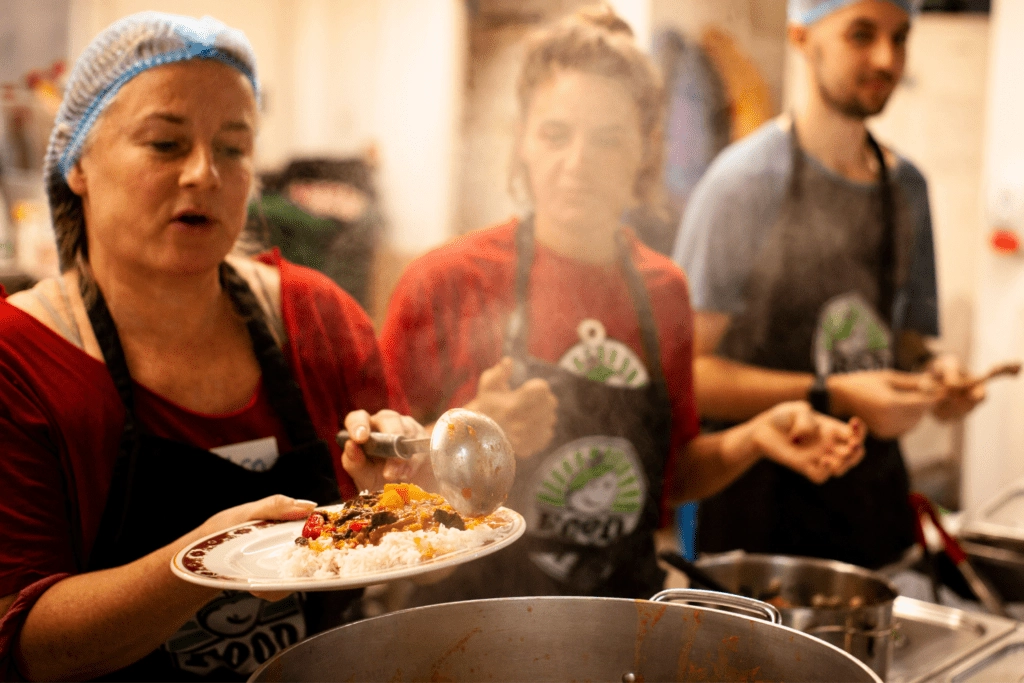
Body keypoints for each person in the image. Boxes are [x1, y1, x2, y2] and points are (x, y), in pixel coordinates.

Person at [360, 5, 865, 605]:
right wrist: (475, 445)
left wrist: (754, 438)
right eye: (555, 134)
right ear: (522, 137)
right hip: (471, 629)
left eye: (608, 139)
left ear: (646, 148)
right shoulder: (444, 283)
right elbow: (371, 508)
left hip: (622, 621)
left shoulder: (663, 291)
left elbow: (666, 476)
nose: (577, 165)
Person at [0, 13, 413, 681]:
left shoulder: (318, 318)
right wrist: (201, 561)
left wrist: (387, 497)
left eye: (233, 147)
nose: (204, 173)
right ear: (77, 162)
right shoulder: (20, 361)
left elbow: (376, 539)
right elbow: (25, 645)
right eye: (165, 144)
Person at [673, 0, 985, 571]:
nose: (886, 59)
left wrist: (936, 376)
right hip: (760, 525)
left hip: (873, 516)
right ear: (801, 35)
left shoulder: (906, 187)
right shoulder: (742, 185)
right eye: (861, 35)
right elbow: (691, 373)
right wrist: (835, 394)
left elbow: (909, 342)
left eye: (900, 37)